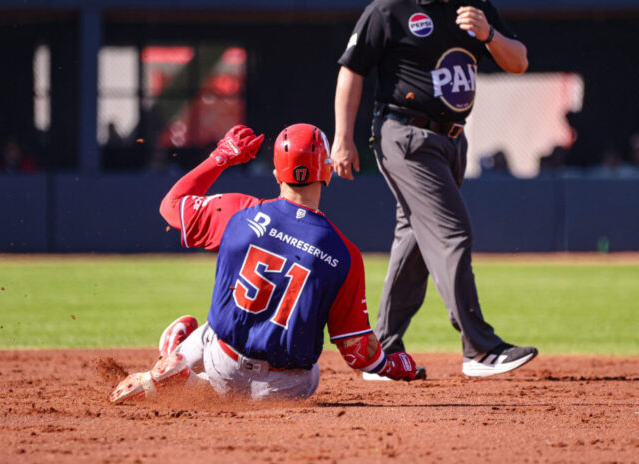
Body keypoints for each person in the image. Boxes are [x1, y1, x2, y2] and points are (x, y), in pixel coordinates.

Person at [110, 124, 425, 403]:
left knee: (211, 332)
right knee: (312, 373)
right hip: (287, 385)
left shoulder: (238, 212)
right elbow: (357, 351)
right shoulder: (345, 253)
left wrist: (222, 156)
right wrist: (395, 365)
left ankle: (177, 362)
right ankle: (187, 377)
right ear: (327, 172)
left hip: (223, 362)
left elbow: (171, 206)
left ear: (276, 173)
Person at [331, 0, 537, 378]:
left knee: (414, 243)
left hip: (452, 141)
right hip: (406, 135)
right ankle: (480, 348)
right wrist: (343, 138)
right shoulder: (390, 9)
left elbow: (519, 61)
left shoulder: (474, 7)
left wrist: (489, 34)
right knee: (451, 233)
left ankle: (382, 352)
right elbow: (352, 69)